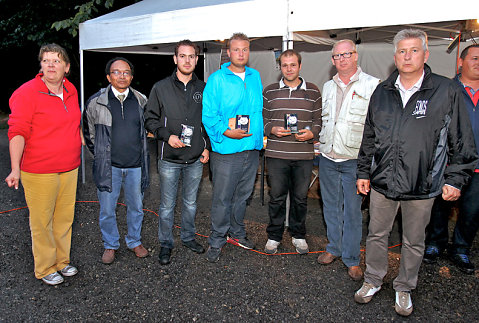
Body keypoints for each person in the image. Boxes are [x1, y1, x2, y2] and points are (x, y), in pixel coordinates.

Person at [354, 29, 478, 316]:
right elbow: (369, 136)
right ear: (395, 56)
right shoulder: (382, 91)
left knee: (413, 240)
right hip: (383, 182)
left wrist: (456, 178)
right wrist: (364, 172)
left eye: (414, 50)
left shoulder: (446, 90)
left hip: (422, 184)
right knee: (375, 234)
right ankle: (373, 279)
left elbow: (462, 140)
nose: (407, 56)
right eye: (402, 51)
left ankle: (405, 287)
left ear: (426, 54)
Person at [5, 44, 82, 285]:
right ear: (41, 65)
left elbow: (74, 123)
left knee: (64, 219)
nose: (51, 65)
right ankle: (45, 266)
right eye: (46, 60)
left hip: (70, 167)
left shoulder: (71, 90)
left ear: (67, 67)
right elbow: (16, 131)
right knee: (42, 222)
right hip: (39, 170)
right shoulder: (27, 92)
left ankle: (61, 261)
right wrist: (15, 167)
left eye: (57, 61)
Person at [317, 40, 380, 281]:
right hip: (327, 157)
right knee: (330, 207)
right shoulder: (328, 86)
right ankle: (333, 247)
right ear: (332, 61)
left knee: (353, 211)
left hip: (354, 160)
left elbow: (376, 128)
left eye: (347, 54)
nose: (342, 59)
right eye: (337, 56)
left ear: (356, 55)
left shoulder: (373, 85)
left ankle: (352, 259)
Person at [145, 40, 210, 265]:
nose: (187, 60)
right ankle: (166, 243)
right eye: (182, 56)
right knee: (166, 205)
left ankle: (188, 237)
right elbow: (149, 119)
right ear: (175, 59)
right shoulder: (160, 87)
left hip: (194, 158)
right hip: (169, 158)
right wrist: (166, 135)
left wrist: (206, 147)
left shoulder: (203, 88)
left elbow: (208, 122)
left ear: (197, 59)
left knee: (191, 203)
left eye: (191, 56)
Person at [202, 33, 264, 262]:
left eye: (245, 49)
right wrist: (226, 131)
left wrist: (260, 139)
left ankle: (237, 233)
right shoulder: (217, 79)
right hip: (227, 150)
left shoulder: (255, 76)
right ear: (229, 52)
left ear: (249, 52)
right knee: (222, 198)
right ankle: (217, 239)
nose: (241, 53)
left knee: (243, 197)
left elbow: (257, 110)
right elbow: (208, 115)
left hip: (251, 149)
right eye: (236, 50)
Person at [83, 57, 150, 265]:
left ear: (131, 76)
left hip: (136, 166)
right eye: (117, 72)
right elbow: (89, 134)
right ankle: (110, 244)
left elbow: (147, 130)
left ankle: (134, 241)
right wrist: (101, 156)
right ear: (108, 76)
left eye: (126, 72)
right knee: (106, 209)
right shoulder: (96, 102)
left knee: (136, 207)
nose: (122, 76)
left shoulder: (141, 100)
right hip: (108, 167)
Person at [424, 44, 479, 274]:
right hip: (448, 162)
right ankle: (435, 244)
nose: (478, 63)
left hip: (477, 167)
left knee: (472, 210)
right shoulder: (446, 89)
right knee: (439, 207)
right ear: (461, 62)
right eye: (475, 58)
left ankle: (461, 248)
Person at [262, 49, 321, 255]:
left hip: (303, 155)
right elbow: (263, 119)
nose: (288, 69)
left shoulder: (313, 91)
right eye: (285, 65)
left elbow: (318, 121)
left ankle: (298, 235)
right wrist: (271, 129)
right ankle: (274, 236)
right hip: (277, 154)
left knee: (300, 198)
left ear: (300, 66)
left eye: (292, 65)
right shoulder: (269, 91)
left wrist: (311, 133)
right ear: (280, 67)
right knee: (277, 197)